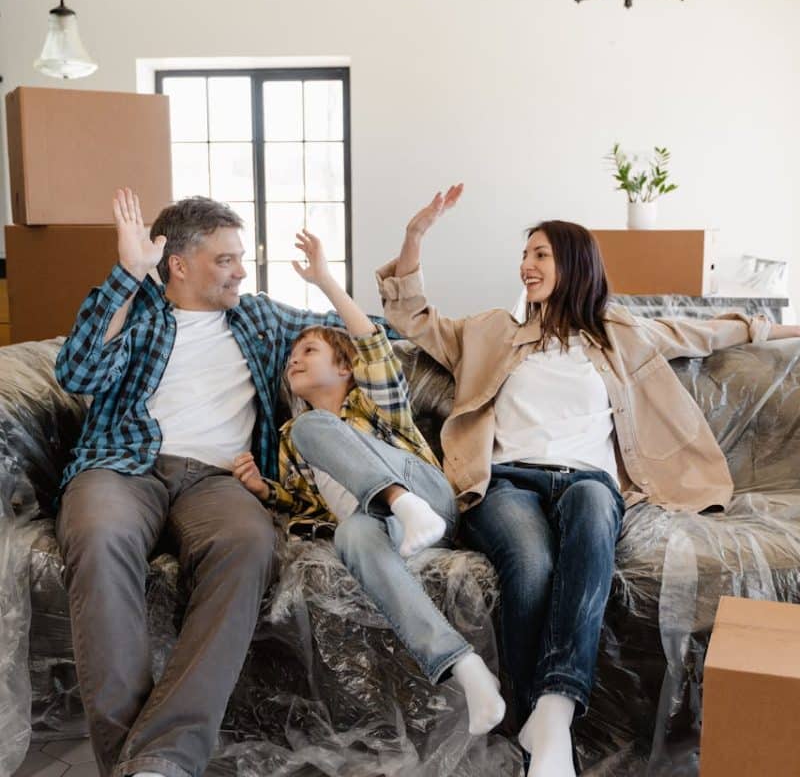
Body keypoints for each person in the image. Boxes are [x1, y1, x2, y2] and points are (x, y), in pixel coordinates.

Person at [376, 184, 800, 777]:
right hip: (507, 483)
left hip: (587, 482)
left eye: (541, 255)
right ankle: (543, 740)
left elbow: (714, 332)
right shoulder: (491, 331)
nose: (527, 265)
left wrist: (787, 330)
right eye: (525, 255)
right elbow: (409, 316)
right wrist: (416, 235)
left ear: (574, 264)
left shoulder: (620, 333)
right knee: (531, 565)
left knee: (595, 518)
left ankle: (553, 710)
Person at [55, 189, 387, 777]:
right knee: (101, 539)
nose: (241, 270)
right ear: (178, 266)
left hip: (221, 477)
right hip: (123, 464)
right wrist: (127, 276)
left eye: (240, 257)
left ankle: (159, 758)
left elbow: (370, 340)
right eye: (226, 259)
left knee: (250, 545)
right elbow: (78, 371)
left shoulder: (258, 316)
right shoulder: (139, 309)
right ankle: (141, 766)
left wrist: (330, 282)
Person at [232, 229, 507, 737]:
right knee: (349, 534)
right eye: (292, 355)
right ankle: (465, 669)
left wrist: (325, 282)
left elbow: (373, 344)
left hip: (428, 498)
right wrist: (264, 489)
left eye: (309, 350)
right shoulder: (294, 437)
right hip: (380, 527)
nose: (294, 359)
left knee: (319, 426)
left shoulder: (375, 403)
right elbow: (303, 502)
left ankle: (403, 503)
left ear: (344, 368)